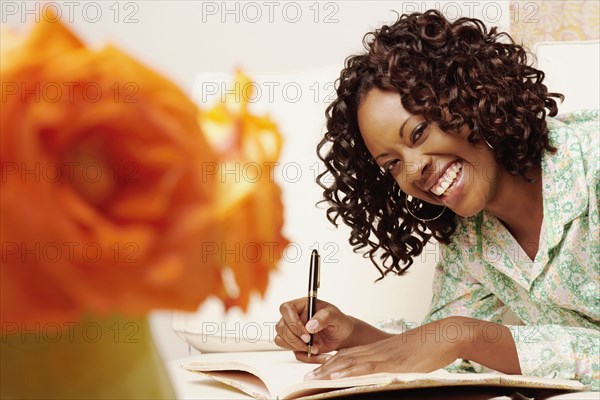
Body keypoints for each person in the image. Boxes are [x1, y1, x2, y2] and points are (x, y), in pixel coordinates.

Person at [274, 10, 599, 390]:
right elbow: (442, 347)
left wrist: (467, 334)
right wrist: (351, 333)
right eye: (392, 164)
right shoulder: (472, 236)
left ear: (472, 97)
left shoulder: (593, 166)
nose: (413, 171)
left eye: (418, 132)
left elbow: (463, 337)